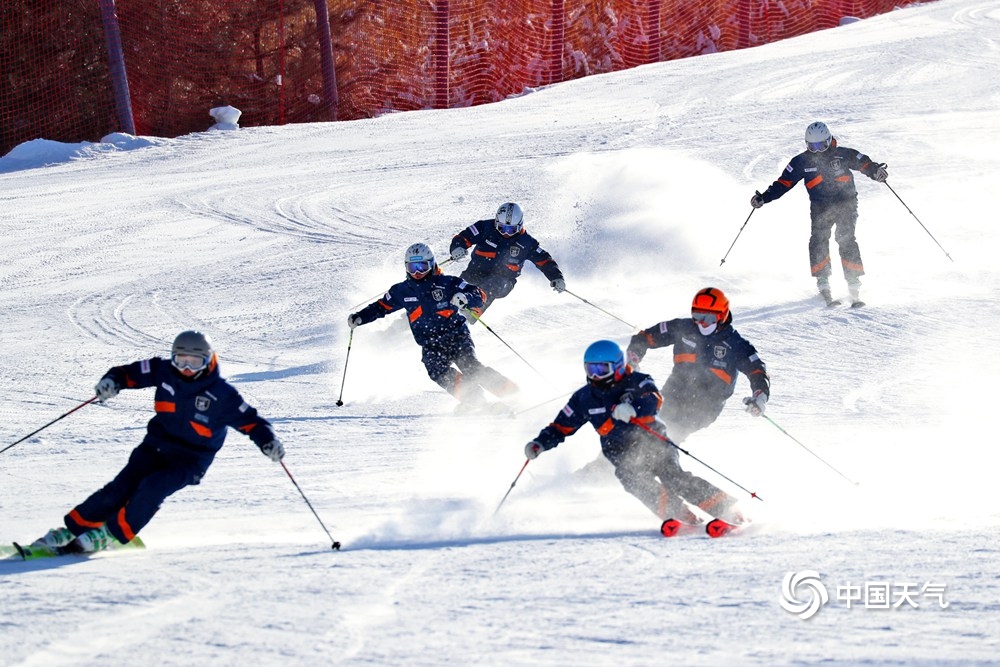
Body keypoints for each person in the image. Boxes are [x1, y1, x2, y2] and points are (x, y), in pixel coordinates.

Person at [30, 331, 285, 553]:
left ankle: (111, 535)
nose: (186, 369)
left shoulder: (222, 395)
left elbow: (252, 422)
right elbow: (127, 373)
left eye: (194, 362)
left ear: (207, 362)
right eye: (181, 360)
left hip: (190, 459)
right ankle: (72, 529)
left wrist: (268, 441)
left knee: (152, 488)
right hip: (155, 446)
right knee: (119, 488)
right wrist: (112, 382)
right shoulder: (163, 371)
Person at [524, 340, 745, 529]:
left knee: (672, 477)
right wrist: (540, 443)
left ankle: (727, 509)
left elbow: (654, 399)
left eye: (601, 370)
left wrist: (633, 408)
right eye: (591, 370)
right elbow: (562, 426)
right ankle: (680, 514)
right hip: (620, 453)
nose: (595, 376)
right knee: (631, 478)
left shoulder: (637, 380)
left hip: (653, 443)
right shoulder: (584, 398)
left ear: (618, 366)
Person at [348, 242, 517, 409]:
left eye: (422, 266)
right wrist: (360, 317)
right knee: (437, 372)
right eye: (413, 268)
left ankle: (513, 394)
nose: (418, 272)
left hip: (456, 336)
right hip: (430, 343)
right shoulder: (402, 291)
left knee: (471, 367)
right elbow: (381, 307)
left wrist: (465, 298)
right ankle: (476, 400)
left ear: (432, 264)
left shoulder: (447, 283)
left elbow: (478, 294)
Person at [750, 121, 888, 306]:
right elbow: (783, 183)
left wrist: (876, 171)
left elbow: (864, 163)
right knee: (818, 240)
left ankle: (853, 284)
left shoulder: (843, 154)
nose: (817, 151)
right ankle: (823, 282)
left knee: (845, 238)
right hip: (820, 206)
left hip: (846, 202)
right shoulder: (801, 162)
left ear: (829, 140)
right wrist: (764, 198)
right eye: (812, 146)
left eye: (821, 146)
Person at [626, 287, 770, 445]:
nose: (702, 322)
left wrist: (759, 396)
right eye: (697, 315)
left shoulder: (736, 345)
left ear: (722, 316)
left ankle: (658, 464)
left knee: (667, 433)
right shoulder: (683, 328)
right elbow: (645, 337)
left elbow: (757, 370)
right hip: (674, 394)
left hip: (705, 406)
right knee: (641, 425)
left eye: (708, 318)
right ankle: (607, 462)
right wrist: (633, 358)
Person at [448, 202, 566, 312]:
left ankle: (470, 313)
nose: (506, 233)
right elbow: (463, 237)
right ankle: (445, 314)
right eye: (501, 227)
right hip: (475, 272)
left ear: (520, 225)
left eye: (511, 229)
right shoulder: (484, 228)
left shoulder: (527, 242)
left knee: (493, 284)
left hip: (503, 281)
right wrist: (457, 248)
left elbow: (544, 261)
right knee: (458, 288)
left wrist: (556, 277)